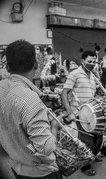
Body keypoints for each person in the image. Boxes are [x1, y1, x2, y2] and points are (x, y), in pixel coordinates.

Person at [0, 40, 63, 178]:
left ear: (8, 67)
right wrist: (54, 127)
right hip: (41, 172)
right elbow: (46, 148)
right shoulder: (31, 101)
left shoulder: (2, 86)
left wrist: (43, 96)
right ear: (36, 64)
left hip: (16, 167)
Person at [61, 50, 103, 176]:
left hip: (92, 113)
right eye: (89, 61)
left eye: (94, 61)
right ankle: (86, 165)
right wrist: (70, 113)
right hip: (80, 113)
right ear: (82, 61)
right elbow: (64, 93)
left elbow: (95, 93)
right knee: (87, 140)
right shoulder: (74, 74)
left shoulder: (93, 75)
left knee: (98, 137)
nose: (92, 63)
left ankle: (92, 156)